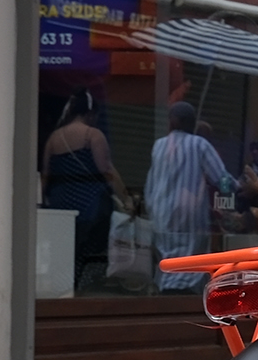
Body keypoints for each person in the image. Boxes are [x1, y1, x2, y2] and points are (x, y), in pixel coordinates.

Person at [41, 90, 132, 290]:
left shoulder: (53, 138)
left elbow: (46, 176)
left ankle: (64, 292)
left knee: (64, 257)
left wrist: (47, 203)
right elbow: (106, 170)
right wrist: (125, 197)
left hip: (61, 208)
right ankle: (85, 293)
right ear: (91, 113)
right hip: (90, 207)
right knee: (91, 255)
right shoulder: (92, 135)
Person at [146, 101, 236, 289]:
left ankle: (167, 291)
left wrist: (150, 209)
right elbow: (222, 179)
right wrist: (241, 187)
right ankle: (183, 297)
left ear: (171, 122)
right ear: (193, 123)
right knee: (190, 260)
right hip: (189, 215)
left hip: (160, 212)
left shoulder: (159, 145)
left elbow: (151, 183)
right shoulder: (199, 145)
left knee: (168, 259)